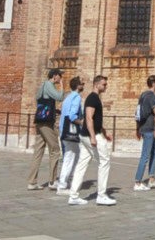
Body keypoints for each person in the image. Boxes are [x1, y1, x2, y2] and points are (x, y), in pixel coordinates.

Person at [68, 74, 115, 206]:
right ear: (96, 84)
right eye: (104, 84)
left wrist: (105, 133)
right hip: (90, 136)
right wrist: (94, 137)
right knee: (104, 162)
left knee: (82, 164)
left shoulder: (94, 98)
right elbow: (89, 118)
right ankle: (101, 195)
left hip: (86, 135)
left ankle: (73, 196)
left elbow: (96, 120)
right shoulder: (92, 98)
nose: (106, 86)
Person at [27, 68, 64, 191]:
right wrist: (62, 86)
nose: (61, 78)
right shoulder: (49, 85)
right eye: (60, 76)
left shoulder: (43, 85)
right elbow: (59, 97)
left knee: (38, 152)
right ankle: (52, 181)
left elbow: (38, 99)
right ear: (54, 76)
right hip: (46, 123)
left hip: (39, 120)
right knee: (55, 150)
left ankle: (32, 182)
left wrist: (53, 110)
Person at [54, 76, 85, 194]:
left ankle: (70, 181)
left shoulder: (68, 98)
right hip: (71, 131)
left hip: (64, 130)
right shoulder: (76, 97)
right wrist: (82, 123)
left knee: (74, 155)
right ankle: (62, 186)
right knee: (69, 157)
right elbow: (72, 115)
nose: (83, 85)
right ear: (78, 86)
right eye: (82, 83)